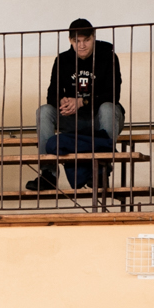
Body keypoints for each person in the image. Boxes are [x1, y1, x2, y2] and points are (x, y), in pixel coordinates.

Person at [30, 19, 125, 191]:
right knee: (44, 111)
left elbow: (113, 94)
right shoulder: (63, 60)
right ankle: (49, 173)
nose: (81, 45)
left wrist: (81, 101)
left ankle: (101, 171)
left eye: (86, 40)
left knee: (108, 108)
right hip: (73, 119)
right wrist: (62, 101)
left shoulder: (108, 57)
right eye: (77, 41)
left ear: (93, 37)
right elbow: (52, 94)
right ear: (70, 40)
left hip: (100, 119)